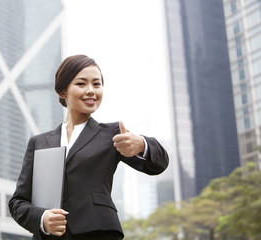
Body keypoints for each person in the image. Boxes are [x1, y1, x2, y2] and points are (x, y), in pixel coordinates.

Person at [9, 54, 169, 240]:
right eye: (81, 84)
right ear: (62, 91)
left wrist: (142, 144)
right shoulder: (38, 143)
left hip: (98, 232)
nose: (91, 90)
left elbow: (159, 164)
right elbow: (18, 201)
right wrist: (42, 218)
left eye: (97, 84)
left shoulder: (112, 134)